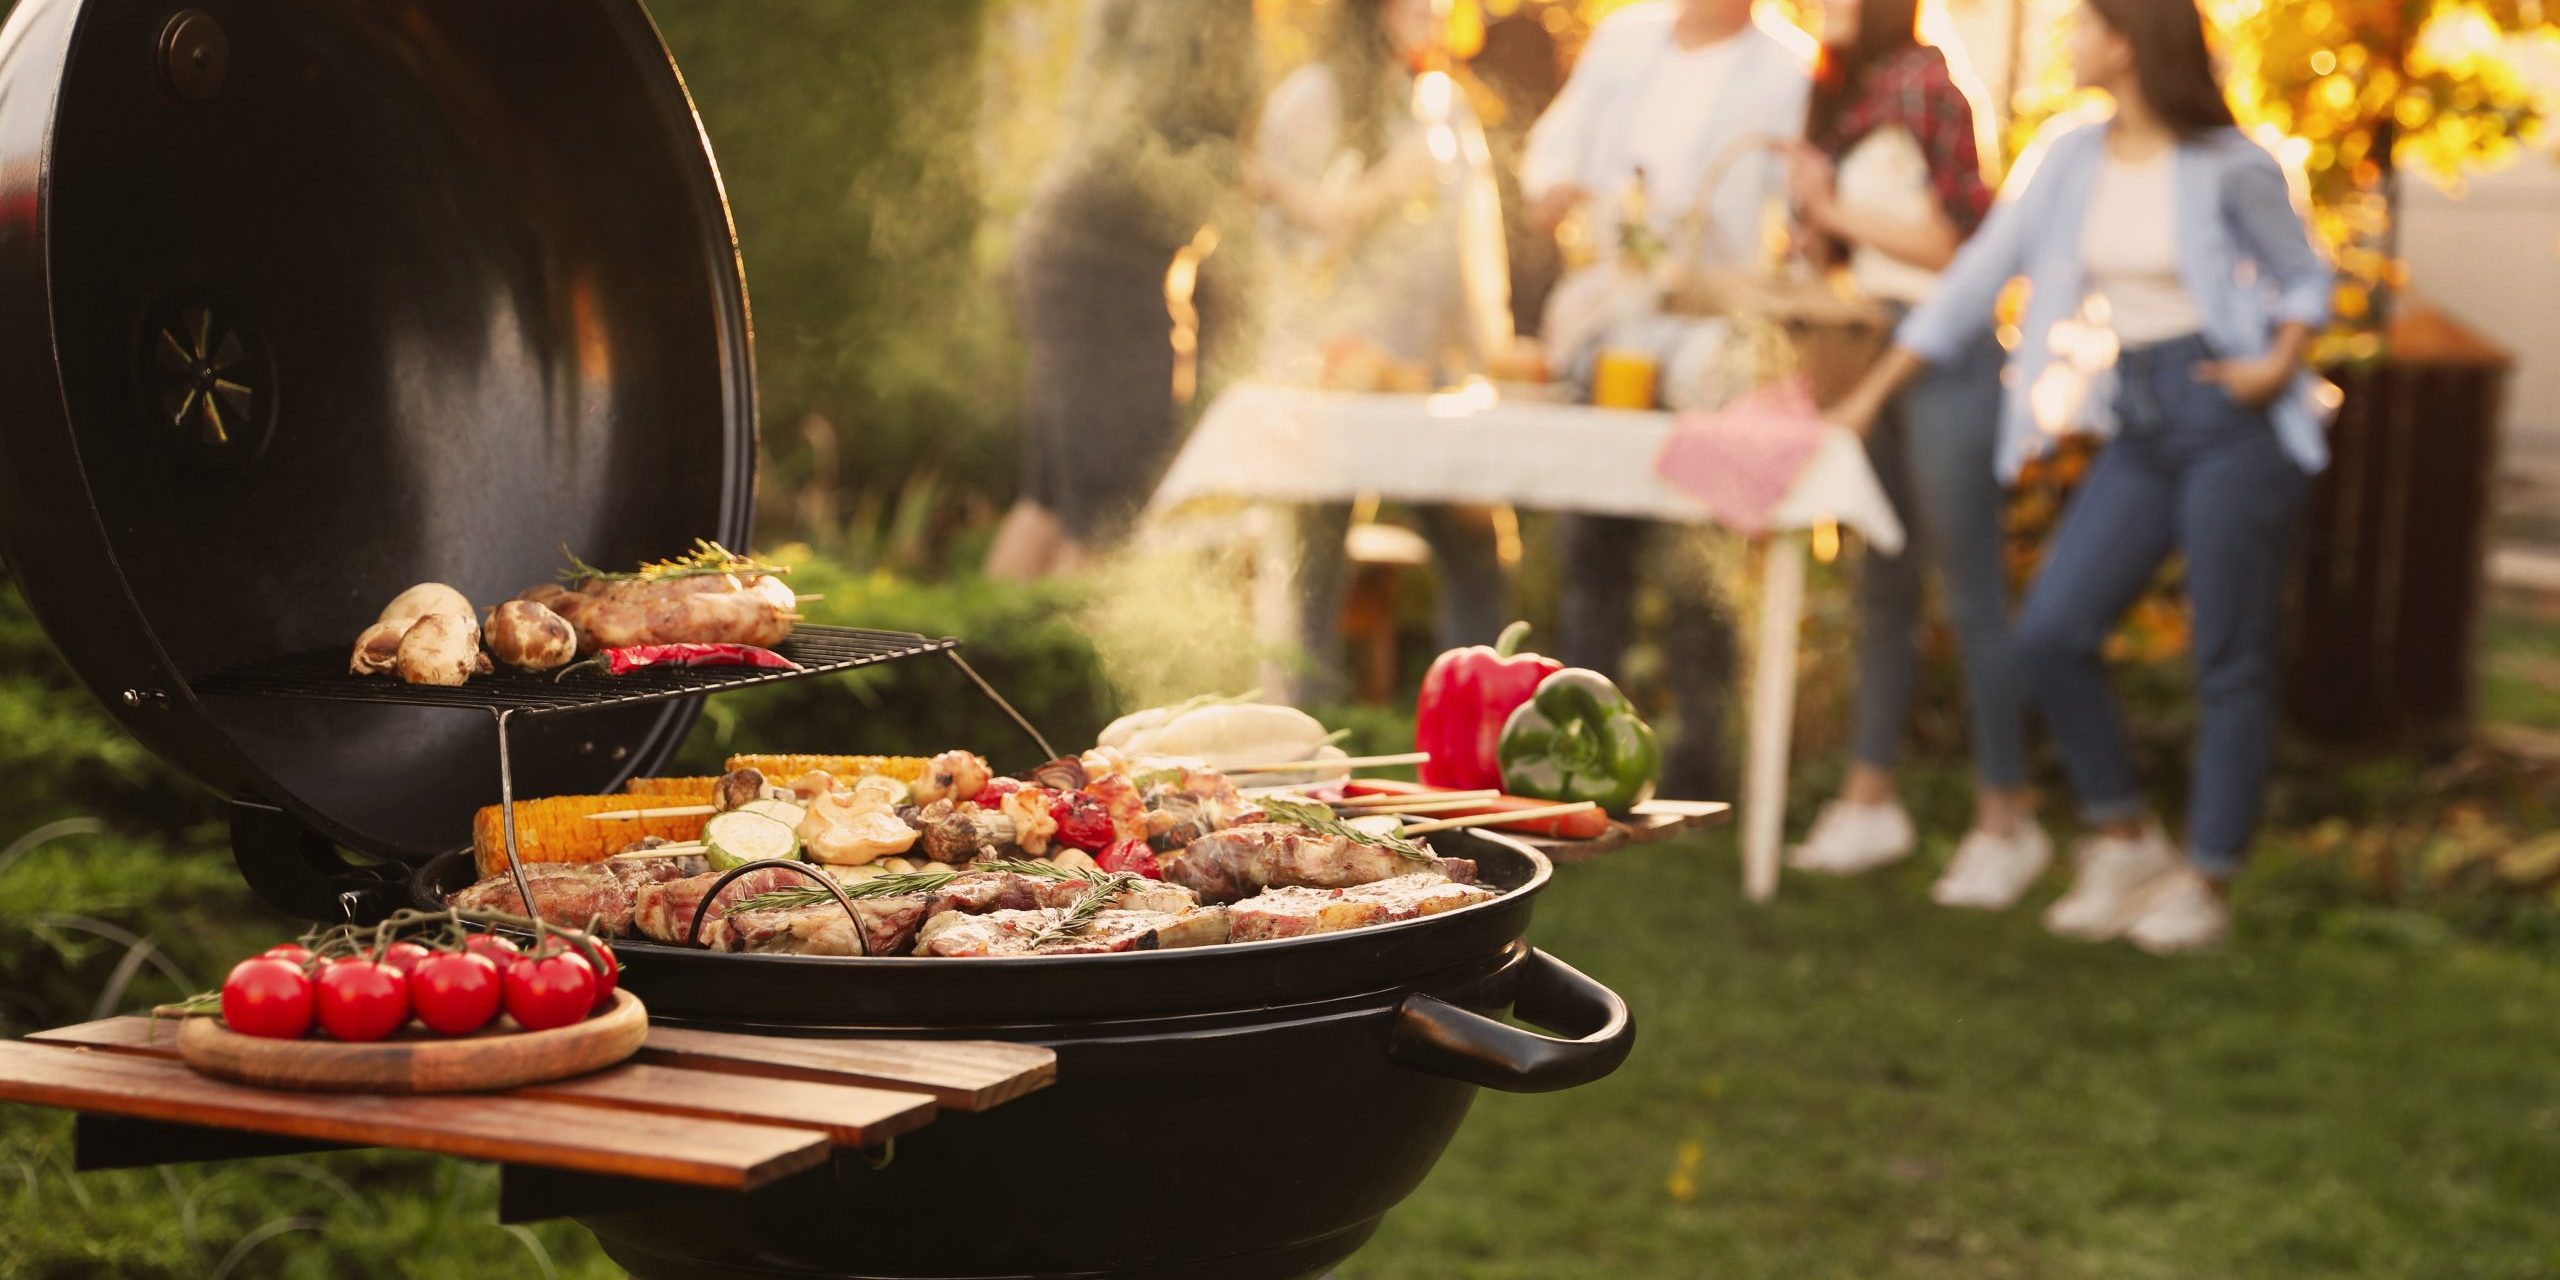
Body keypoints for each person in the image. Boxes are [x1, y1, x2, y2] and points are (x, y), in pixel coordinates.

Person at [1826, 0, 2334, 953]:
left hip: (2232, 420)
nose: (2068, 38)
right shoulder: (2068, 155)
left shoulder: (2231, 163)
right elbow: (1976, 279)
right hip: (2139, 418)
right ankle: (2126, 838)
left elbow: (2306, 278)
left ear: (2130, 40)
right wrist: (1871, 392)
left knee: (2226, 658)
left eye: (2083, 23)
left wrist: (2276, 363)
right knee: (2052, 633)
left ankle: (2208, 880)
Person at [1775, 0, 2046, 906]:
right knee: (1879, 586)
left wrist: (1833, 204)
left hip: (1947, 357)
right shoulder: (1840, 96)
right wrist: (1814, 223)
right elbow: (1843, 252)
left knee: (1969, 594)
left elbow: (1959, 245)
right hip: (1864, 347)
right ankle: (1869, 798)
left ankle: (2008, 818)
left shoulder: (1928, 83)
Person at [1516, 0, 1813, 795]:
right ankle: (1575, 753)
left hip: (1712, 343)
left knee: (1699, 559)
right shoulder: (1622, 40)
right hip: (1611, 326)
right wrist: (1552, 188)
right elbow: (1555, 142)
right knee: (1595, 545)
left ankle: (1701, 763)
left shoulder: (1788, 67)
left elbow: (1805, 206)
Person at [1248, 0, 1518, 703]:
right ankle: (1298, 759)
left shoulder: (1446, 105)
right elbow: (1287, 250)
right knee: (1311, 570)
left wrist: (1492, 351)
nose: (1434, 11)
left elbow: (1474, 247)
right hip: (1329, 377)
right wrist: (1378, 191)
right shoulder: (1311, 99)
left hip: (1424, 380)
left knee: (1478, 553)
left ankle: (1475, 739)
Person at [988, 0, 1259, 581]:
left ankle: (984, 666)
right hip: (1107, 272)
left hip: (1076, 249)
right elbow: (1144, 130)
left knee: (1051, 501)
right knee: (1104, 519)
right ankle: (1062, 670)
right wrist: (1254, 184)